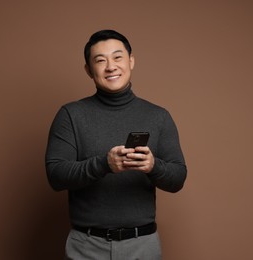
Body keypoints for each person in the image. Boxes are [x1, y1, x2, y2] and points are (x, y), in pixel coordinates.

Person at [45, 29, 187, 259]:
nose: (111, 66)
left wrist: (153, 166)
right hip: (86, 246)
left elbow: (178, 178)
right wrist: (104, 164)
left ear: (131, 61)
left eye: (117, 57)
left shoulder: (159, 116)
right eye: (100, 60)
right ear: (89, 70)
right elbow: (55, 175)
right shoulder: (71, 114)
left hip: (143, 245)